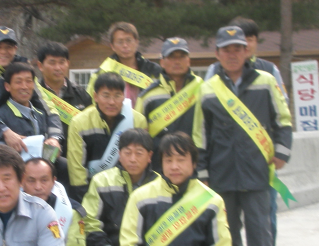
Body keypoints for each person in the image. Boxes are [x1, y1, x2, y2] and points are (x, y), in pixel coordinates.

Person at [201, 25, 292, 246]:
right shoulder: (208, 88)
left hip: (256, 171)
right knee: (227, 231)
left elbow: (283, 119)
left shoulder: (266, 81)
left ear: (247, 51)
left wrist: (282, 152)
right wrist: (202, 173)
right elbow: (200, 134)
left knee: (260, 230)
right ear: (217, 53)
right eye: (226, 50)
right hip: (221, 172)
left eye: (238, 49)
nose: (232, 54)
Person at [80, 128, 159, 246]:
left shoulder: (160, 184)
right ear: (119, 154)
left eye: (139, 153)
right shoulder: (102, 181)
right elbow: (89, 223)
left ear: (149, 156)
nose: (132, 159)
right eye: (127, 152)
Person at [66, 71, 147, 202]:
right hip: (91, 191)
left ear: (124, 96)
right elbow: (77, 170)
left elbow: (141, 160)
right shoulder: (79, 123)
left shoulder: (137, 121)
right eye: (106, 96)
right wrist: (85, 200)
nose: (112, 102)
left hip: (129, 190)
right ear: (95, 97)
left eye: (117, 96)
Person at [137, 37, 205, 174]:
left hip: (194, 169)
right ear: (162, 62)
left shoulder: (202, 89)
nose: (177, 61)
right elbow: (139, 137)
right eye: (172, 57)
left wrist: (203, 170)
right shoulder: (147, 96)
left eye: (182, 56)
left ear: (188, 60)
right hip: (157, 170)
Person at [0, 61, 63, 152]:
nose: (24, 87)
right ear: (7, 86)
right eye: (18, 82)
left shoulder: (41, 115)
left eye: (28, 81)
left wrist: (53, 149)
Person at [86, 22, 162, 106]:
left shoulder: (153, 71)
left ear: (136, 42)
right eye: (120, 42)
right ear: (112, 46)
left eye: (129, 40)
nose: (125, 45)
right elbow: (89, 103)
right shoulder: (103, 72)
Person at [36, 40, 92, 146]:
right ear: (40, 66)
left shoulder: (80, 94)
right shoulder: (34, 94)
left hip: (76, 153)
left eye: (62, 62)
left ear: (68, 64)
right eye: (52, 63)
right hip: (44, 153)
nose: (58, 68)